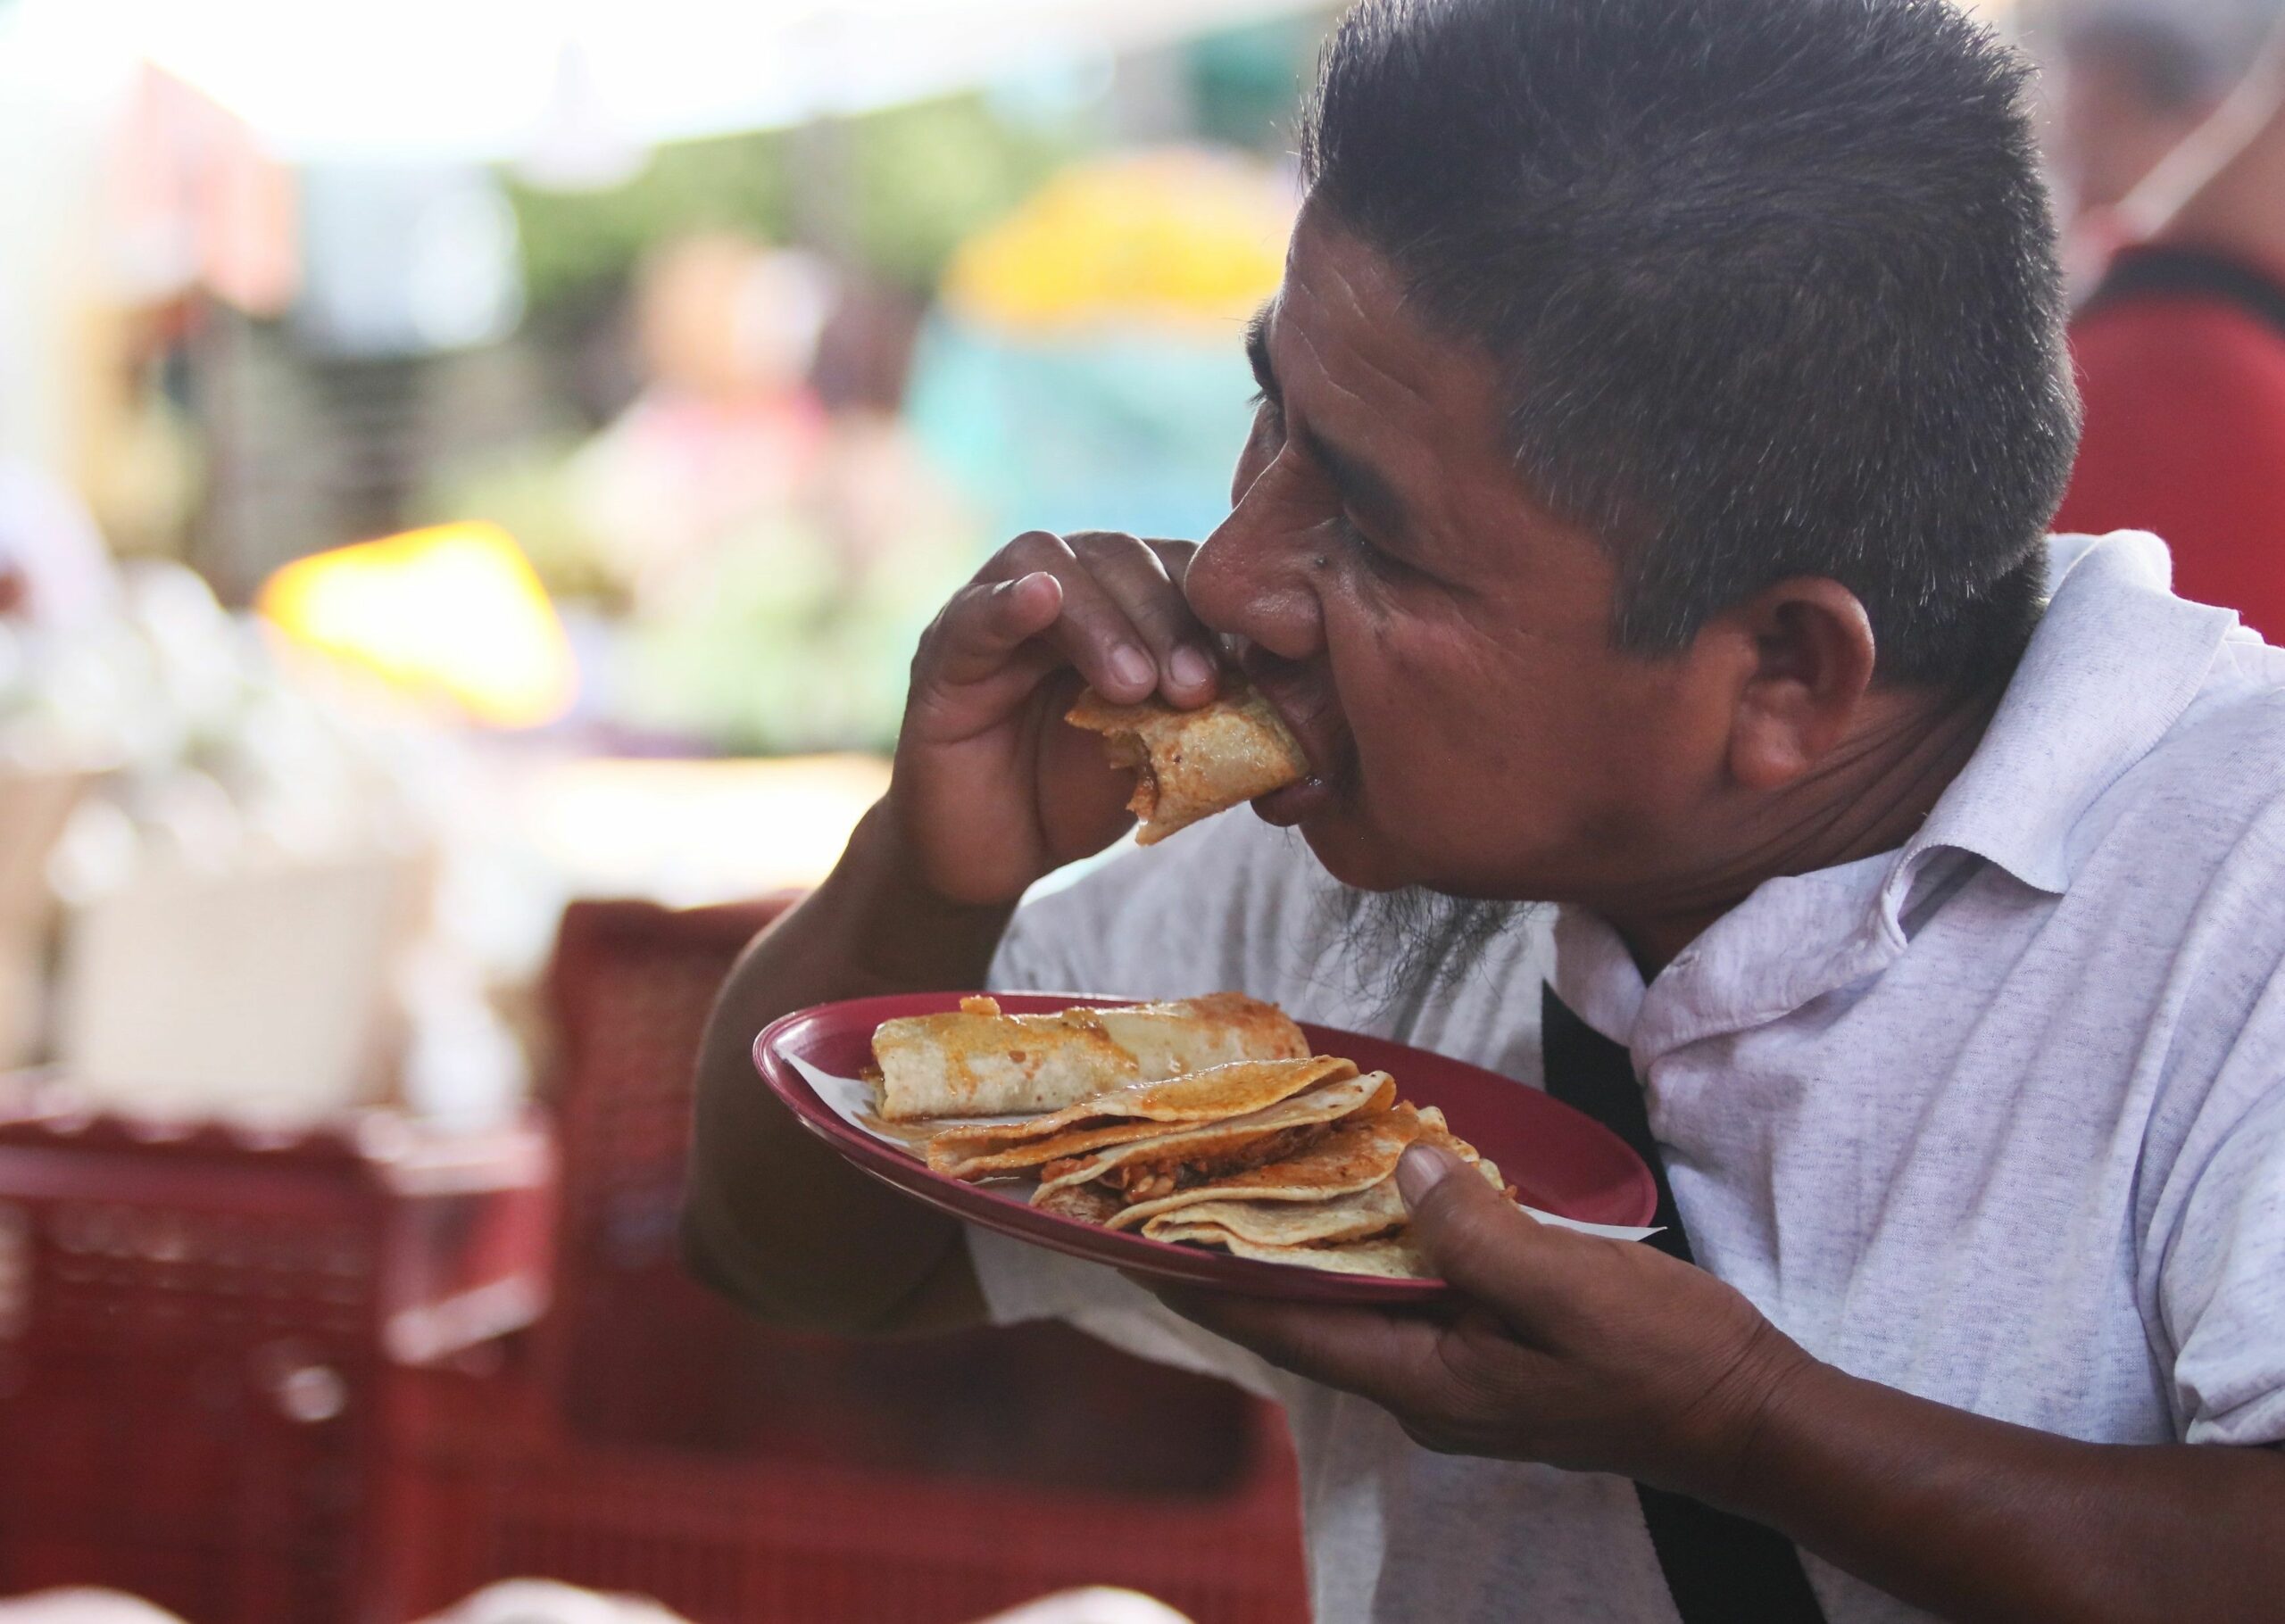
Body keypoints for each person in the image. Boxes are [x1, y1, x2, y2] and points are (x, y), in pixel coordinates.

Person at [685, 2, 2285, 1620]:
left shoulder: (2242, 885)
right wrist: (929, 876)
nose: (1235, 573)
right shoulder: (1341, 852)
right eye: (1276, 422)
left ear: (1788, 675)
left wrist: (1747, 1426)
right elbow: (809, 1259)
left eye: (1374, 538)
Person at [2050, 5, 2285, 638]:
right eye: (2067, 154)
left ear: (2210, 127)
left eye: (2105, 135)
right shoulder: (2138, 330)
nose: (2082, 190)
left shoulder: (2182, 346)